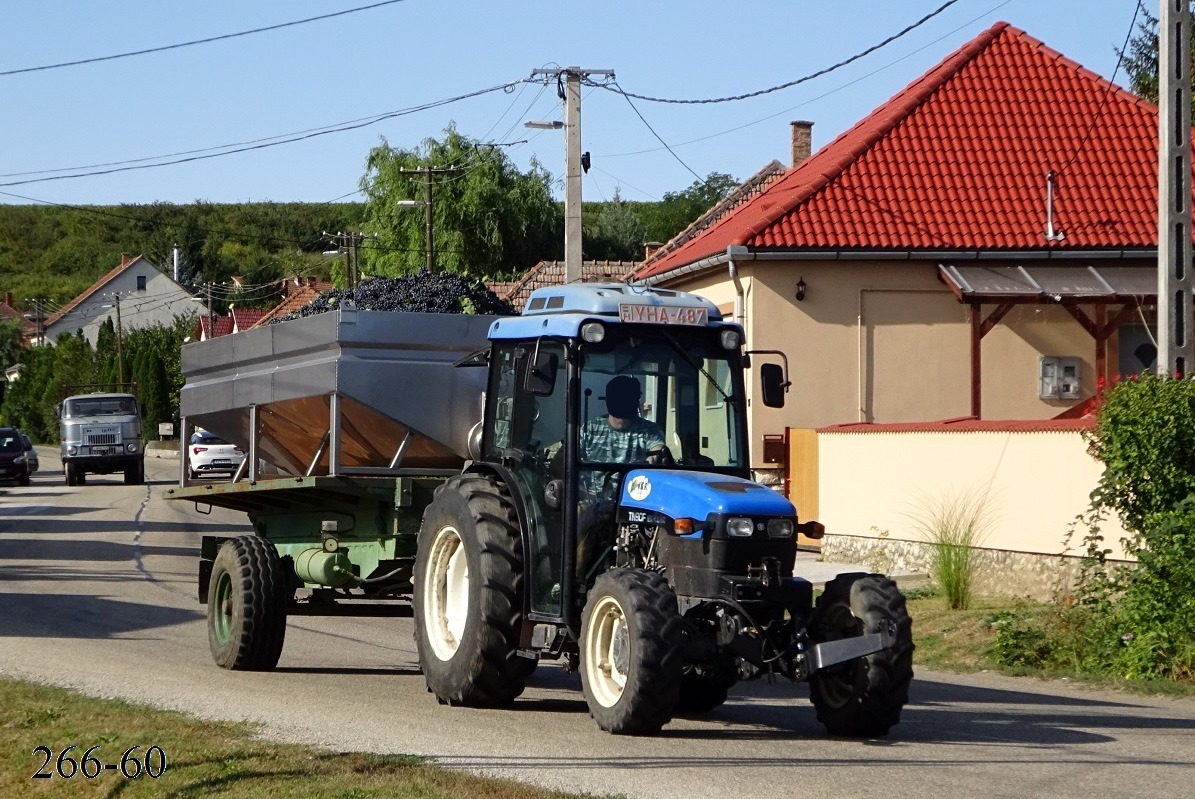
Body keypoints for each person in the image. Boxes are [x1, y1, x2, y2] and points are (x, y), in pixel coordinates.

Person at [580, 375, 668, 465]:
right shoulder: (590, 429)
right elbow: (570, 454)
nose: (623, 403)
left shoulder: (650, 430)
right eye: (619, 399)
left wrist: (653, 458)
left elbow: (657, 452)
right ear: (607, 400)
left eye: (628, 398)